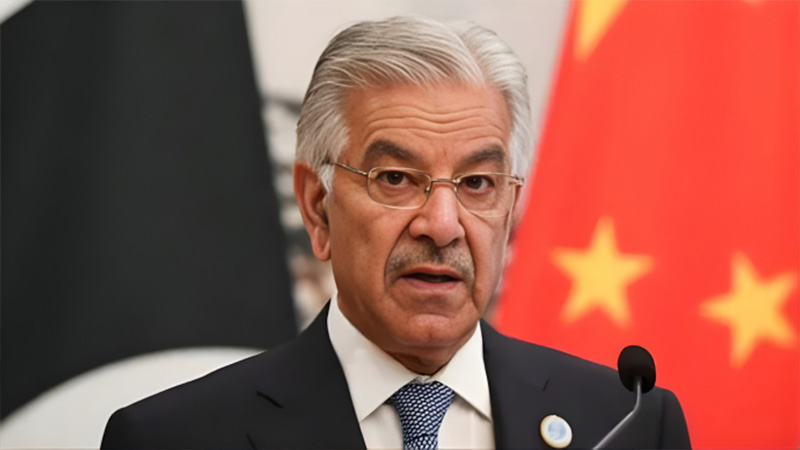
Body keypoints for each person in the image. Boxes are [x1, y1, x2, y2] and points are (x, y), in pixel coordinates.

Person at [101, 16, 691, 449]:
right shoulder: (173, 438)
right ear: (317, 206)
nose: (442, 226)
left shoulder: (630, 423)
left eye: (477, 183)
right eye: (395, 178)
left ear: (511, 207)